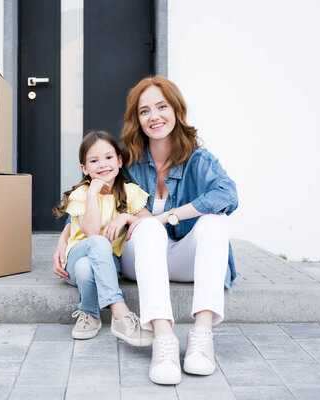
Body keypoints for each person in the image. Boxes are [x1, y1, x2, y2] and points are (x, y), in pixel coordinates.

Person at [52, 77, 238, 385]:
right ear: (136, 119)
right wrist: (64, 240)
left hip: (183, 257)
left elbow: (228, 196)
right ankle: (164, 340)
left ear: (176, 110)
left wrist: (168, 217)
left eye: (162, 107)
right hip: (141, 256)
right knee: (149, 230)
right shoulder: (130, 161)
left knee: (214, 221)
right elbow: (92, 195)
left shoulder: (199, 159)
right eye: (145, 111)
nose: (154, 117)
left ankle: (202, 336)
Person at [53, 130, 154, 346]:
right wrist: (92, 194)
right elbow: (91, 233)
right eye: (94, 160)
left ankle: (89, 314)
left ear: (119, 161)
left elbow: (152, 225)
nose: (102, 165)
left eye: (108, 158)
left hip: (104, 263)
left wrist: (126, 217)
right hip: (73, 258)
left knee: (86, 267)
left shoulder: (130, 192)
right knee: (97, 243)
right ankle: (119, 311)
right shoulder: (81, 194)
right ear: (84, 168)